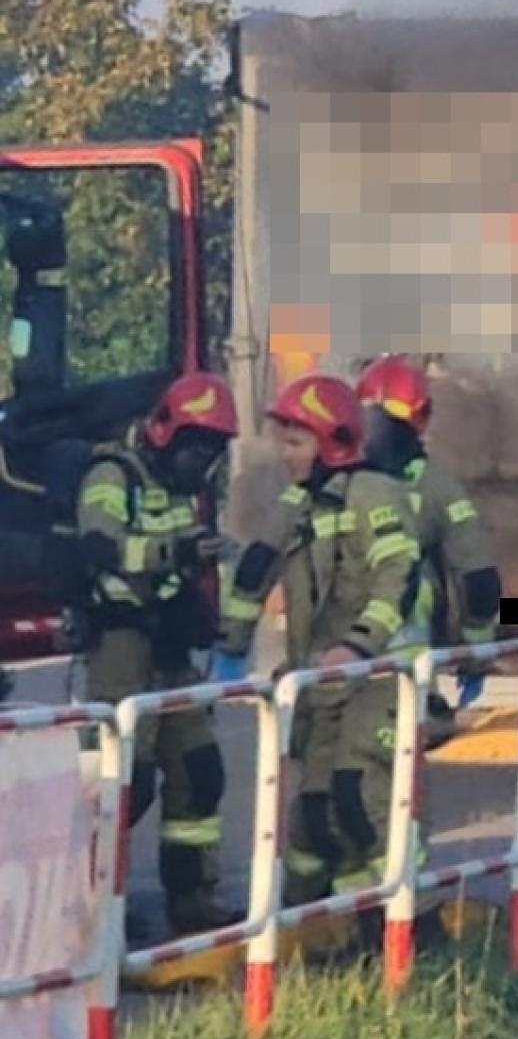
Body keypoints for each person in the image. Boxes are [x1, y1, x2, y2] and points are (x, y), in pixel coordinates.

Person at [219, 374, 422, 917]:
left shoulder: (375, 495)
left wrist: (358, 647)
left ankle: (402, 922)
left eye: (295, 442)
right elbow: (259, 561)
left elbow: (398, 573)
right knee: (313, 815)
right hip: (319, 685)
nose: (285, 456)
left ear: (332, 441)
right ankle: (312, 924)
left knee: (360, 803)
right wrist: (229, 643)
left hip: (374, 680)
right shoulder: (298, 500)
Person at [76, 371, 240, 938]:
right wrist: (176, 551)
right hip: (121, 643)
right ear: (166, 431)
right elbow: (99, 544)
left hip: (167, 645)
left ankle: (193, 900)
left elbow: (173, 567)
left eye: (212, 453)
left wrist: (193, 609)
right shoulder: (112, 474)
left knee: (200, 771)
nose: (203, 463)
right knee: (125, 781)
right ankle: (92, 910)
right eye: (197, 448)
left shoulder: (178, 491)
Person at [355, 355, 500, 717]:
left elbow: (264, 553)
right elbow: (479, 577)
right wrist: (476, 654)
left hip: (327, 672)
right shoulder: (437, 486)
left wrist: (234, 643)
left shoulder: (330, 479)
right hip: (404, 680)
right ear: (421, 415)